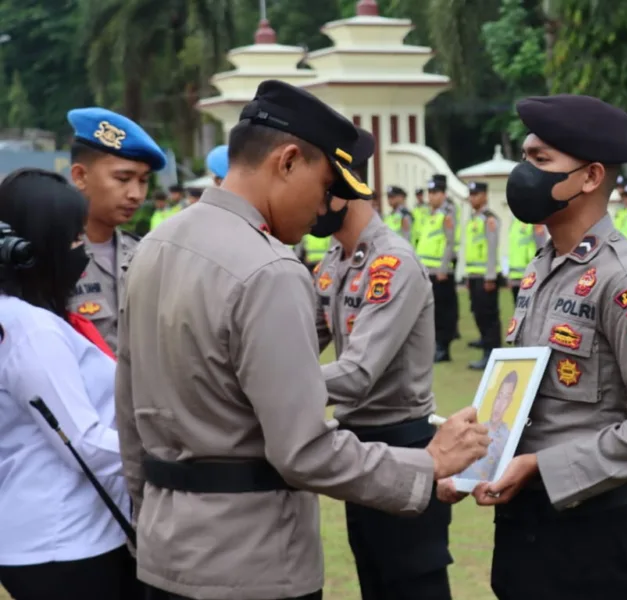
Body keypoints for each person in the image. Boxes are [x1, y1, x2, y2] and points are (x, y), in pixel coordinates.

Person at [114, 80, 489, 600]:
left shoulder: (153, 246)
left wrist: (147, 516)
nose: (322, 206)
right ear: (288, 161)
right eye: (325, 182)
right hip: (253, 557)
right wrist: (430, 463)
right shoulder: (270, 269)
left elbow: (128, 414)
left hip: (166, 547)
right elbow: (304, 452)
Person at [437, 94, 627, 600]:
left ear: (591, 177)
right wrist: (473, 461)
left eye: (540, 160)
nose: (521, 172)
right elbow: (530, 400)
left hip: (592, 544)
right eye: (524, 156)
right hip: (522, 531)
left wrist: (540, 467)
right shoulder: (541, 267)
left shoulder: (626, 281)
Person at [310, 129, 454, 600]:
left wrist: (269, 387)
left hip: (404, 446)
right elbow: (300, 344)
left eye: (316, 186)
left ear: (342, 188)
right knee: (375, 582)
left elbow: (356, 375)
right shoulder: (334, 259)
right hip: (360, 451)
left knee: (412, 587)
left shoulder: (391, 263)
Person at [0, 169, 141, 600]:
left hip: (51, 535)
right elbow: (84, 442)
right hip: (65, 542)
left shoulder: (18, 316)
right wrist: (169, 450)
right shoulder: (34, 332)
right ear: (32, 248)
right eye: (75, 239)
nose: (83, 251)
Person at [66, 107, 166, 356]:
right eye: (123, 179)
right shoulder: (52, 257)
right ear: (80, 176)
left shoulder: (144, 255)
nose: (136, 194)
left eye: (143, 181)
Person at [416, 174, 458, 362]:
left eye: (435, 193)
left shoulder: (446, 215)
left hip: (440, 273)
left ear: (443, 194)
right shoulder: (429, 215)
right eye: (430, 192)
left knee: (443, 310)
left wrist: (443, 268)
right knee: (431, 310)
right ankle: (435, 345)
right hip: (427, 271)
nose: (431, 196)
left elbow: (450, 243)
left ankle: (443, 347)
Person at [464, 181, 502, 370]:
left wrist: (490, 276)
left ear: (485, 196)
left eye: (476, 194)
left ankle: (492, 352)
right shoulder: (474, 218)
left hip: (485, 276)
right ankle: (486, 347)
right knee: (478, 313)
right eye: (471, 194)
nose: (473, 198)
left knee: (488, 315)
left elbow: (492, 248)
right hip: (474, 274)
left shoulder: (489, 219)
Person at [455, 371, 518, 482]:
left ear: (510, 402)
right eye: (499, 397)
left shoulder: (509, 438)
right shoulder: (475, 428)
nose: (499, 405)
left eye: (506, 399)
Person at [506, 217, 546, 306]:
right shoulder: (514, 222)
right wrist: (510, 276)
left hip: (531, 276)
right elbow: (513, 250)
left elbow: (542, 249)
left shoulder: (536, 221)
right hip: (515, 276)